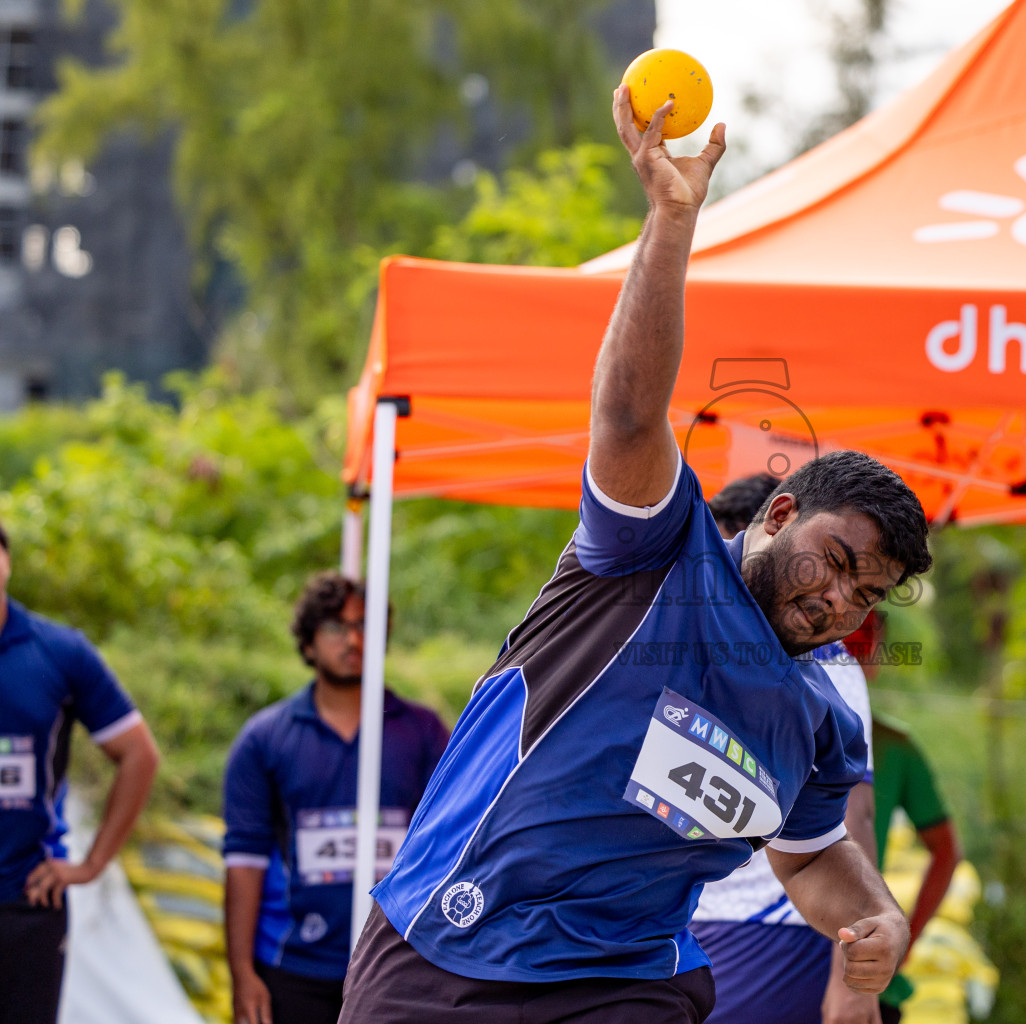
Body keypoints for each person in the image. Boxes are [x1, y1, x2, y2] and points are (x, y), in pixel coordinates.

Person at [339, 85, 932, 1024]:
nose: (840, 601)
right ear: (779, 511)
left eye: (870, 593)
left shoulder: (819, 717)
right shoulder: (654, 547)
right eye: (835, 560)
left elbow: (812, 856)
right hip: (452, 951)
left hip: (626, 982)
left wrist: (876, 919)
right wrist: (671, 220)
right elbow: (626, 412)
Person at [692, 473, 884, 1024]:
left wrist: (851, 983)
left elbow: (854, 817)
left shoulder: (825, 664)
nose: (722, 572)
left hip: (774, 924)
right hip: (681, 917)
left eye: (737, 552)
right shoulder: (691, 638)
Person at [222, 573, 449, 1024]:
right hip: (291, 968)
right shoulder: (264, 739)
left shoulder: (423, 733)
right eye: (334, 628)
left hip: (395, 964)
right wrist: (241, 973)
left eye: (364, 626)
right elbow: (243, 861)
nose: (352, 639)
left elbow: (448, 849)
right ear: (307, 644)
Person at [0, 519, 161, 1023]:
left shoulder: (58, 651)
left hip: (26, 901)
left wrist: (91, 864)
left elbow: (139, 756)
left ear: (5, 562)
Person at [848, 611, 962, 1024]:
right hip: (769, 957)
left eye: (862, 629)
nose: (846, 642)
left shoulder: (894, 748)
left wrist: (902, 940)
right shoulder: (770, 727)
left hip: (858, 967)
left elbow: (946, 850)